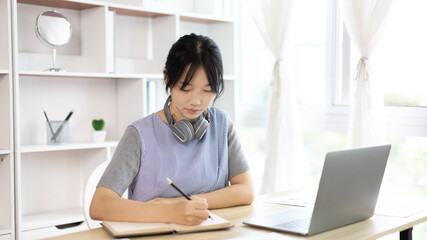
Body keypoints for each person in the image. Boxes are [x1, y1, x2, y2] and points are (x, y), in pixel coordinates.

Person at [90, 33, 254, 226]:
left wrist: (184, 204)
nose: (196, 101)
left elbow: (246, 190)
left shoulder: (222, 124)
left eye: (207, 90)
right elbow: (99, 205)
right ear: (167, 78)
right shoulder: (139, 134)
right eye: (186, 88)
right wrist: (166, 213)